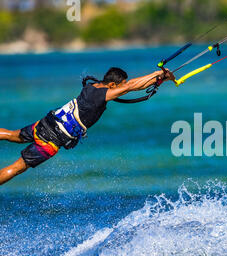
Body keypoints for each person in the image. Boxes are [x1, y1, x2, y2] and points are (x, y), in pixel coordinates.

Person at [0, 67, 175, 185]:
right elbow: (130, 87)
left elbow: (130, 86)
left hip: (46, 123)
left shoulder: (92, 87)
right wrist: (157, 74)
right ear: (112, 85)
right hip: (51, 141)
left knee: (11, 135)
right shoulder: (101, 96)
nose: (121, 90)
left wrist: (157, 78)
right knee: (16, 168)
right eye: (118, 87)